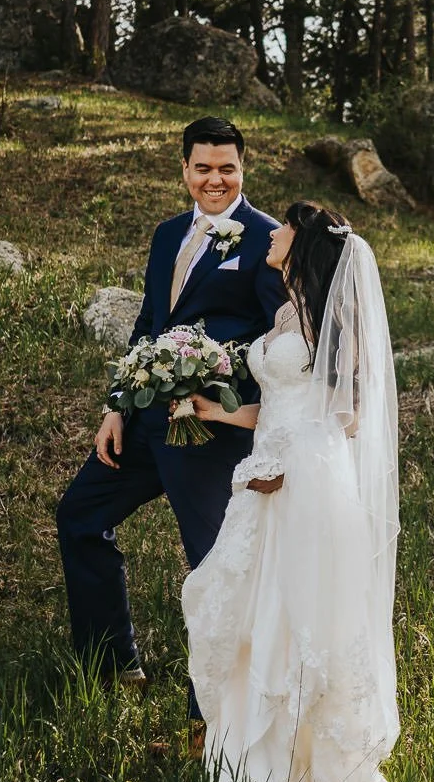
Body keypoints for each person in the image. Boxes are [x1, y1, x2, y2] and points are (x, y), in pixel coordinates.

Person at [55, 118, 285, 744]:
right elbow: (151, 323)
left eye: (228, 168)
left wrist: (214, 374)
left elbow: (280, 334)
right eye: (204, 167)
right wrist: (117, 405)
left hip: (210, 430)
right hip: (147, 422)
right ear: (184, 169)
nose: (216, 179)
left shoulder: (267, 240)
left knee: (212, 565)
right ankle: (112, 661)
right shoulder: (166, 236)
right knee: (78, 513)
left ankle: (210, 710)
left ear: (243, 170)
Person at [179, 201, 401, 782]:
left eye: (284, 227)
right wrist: (219, 413)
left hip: (305, 483)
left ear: (301, 242)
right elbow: (276, 402)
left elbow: (347, 417)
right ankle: (250, 772)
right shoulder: (284, 312)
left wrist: (291, 465)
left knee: (300, 617)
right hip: (263, 476)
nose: (272, 232)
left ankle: (308, 775)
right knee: (249, 610)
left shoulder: (339, 318)